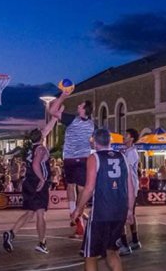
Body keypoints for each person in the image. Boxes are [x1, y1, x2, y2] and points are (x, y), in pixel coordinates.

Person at [71, 128, 135, 271]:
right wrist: (130, 210)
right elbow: (130, 186)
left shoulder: (94, 158)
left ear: (94, 141)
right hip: (119, 212)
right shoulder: (123, 157)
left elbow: (89, 188)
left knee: (90, 255)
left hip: (101, 213)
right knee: (112, 251)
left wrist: (78, 209)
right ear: (110, 140)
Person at [2, 116, 57, 254]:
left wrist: (55, 117)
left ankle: (11, 233)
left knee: (30, 213)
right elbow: (35, 164)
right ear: (42, 137)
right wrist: (42, 179)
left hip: (28, 182)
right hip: (37, 183)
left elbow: (46, 129)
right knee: (40, 214)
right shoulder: (41, 149)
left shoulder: (31, 148)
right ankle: (42, 243)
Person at [49, 91, 94, 237]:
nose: (78, 105)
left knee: (71, 187)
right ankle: (78, 215)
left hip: (70, 158)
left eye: (80, 105)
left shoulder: (72, 120)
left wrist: (62, 96)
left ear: (84, 109)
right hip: (83, 159)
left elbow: (52, 111)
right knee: (81, 190)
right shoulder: (93, 124)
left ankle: (76, 216)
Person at [117, 128, 142, 256]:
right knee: (130, 213)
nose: (123, 137)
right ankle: (135, 240)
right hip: (129, 186)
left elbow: (125, 169)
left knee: (123, 214)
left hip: (130, 187)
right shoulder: (127, 151)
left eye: (126, 135)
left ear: (131, 138)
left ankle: (125, 244)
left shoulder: (132, 152)